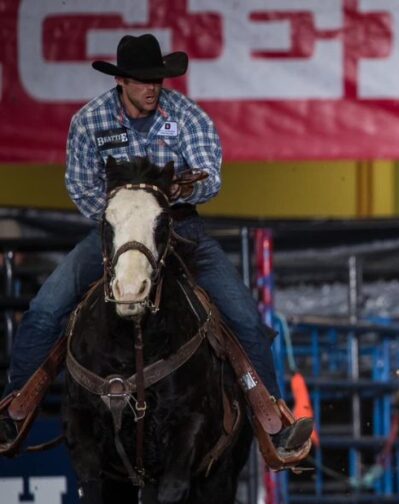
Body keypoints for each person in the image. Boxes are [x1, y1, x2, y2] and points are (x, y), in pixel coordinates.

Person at [0, 34, 311, 462]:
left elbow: (209, 173)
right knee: (46, 309)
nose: (153, 88)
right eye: (144, 81)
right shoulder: (90, 122)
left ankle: (274, 422)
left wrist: (175, 195)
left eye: (158, 80)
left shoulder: (185, 116)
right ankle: (16, 408)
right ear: (122, 81)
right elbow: (79, 185)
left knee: (244, 317)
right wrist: (125, 216)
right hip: (117, 234)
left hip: (179, 229)